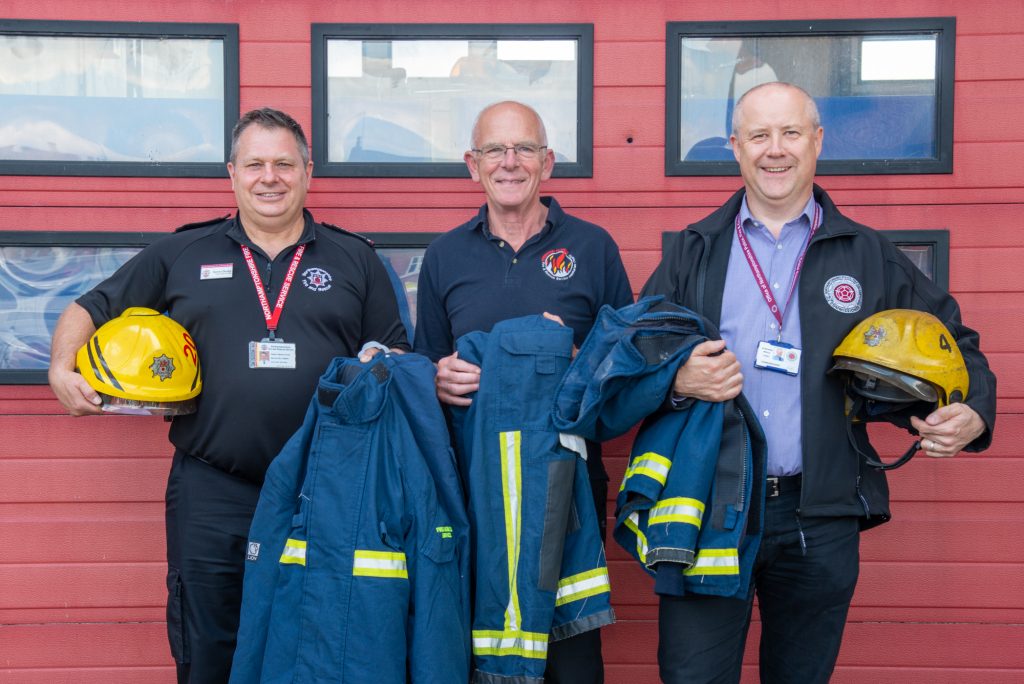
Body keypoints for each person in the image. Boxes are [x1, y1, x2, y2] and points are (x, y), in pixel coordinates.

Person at [643, 82, 996, 683]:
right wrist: (677, 376)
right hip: (708, 507)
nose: (774, 150)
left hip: (820, 514)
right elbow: (634, 354)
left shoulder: (867, 255)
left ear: (817, 142)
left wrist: (973, 411)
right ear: (735, 147)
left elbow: (956, 343)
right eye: (758, 135)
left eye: (789, 133)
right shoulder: (694, 252)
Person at [48, 107, 409, 684]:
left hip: (325, 487)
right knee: (208, 640)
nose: (270, 177)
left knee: (315, 640)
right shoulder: (183, 253)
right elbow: (90, 307)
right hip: (212, 487)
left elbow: (395, 357)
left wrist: (385, 369)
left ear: (308, 172)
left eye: (284, 164)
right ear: (232, 174)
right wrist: (61, 369)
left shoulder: (354, 259)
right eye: (256, 164)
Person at [414, 101, 633, 683]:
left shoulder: (593, 248)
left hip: (569, 496)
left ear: (548, 162)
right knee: (480, 650)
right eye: (494, 150)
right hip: (473, 489)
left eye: (524, 149)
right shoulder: (444, 256)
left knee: (571, 659)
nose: (509, 163)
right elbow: (422, 368)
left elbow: (626, 367)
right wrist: (437, 378)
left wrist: (570, 358)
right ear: (472, 164)